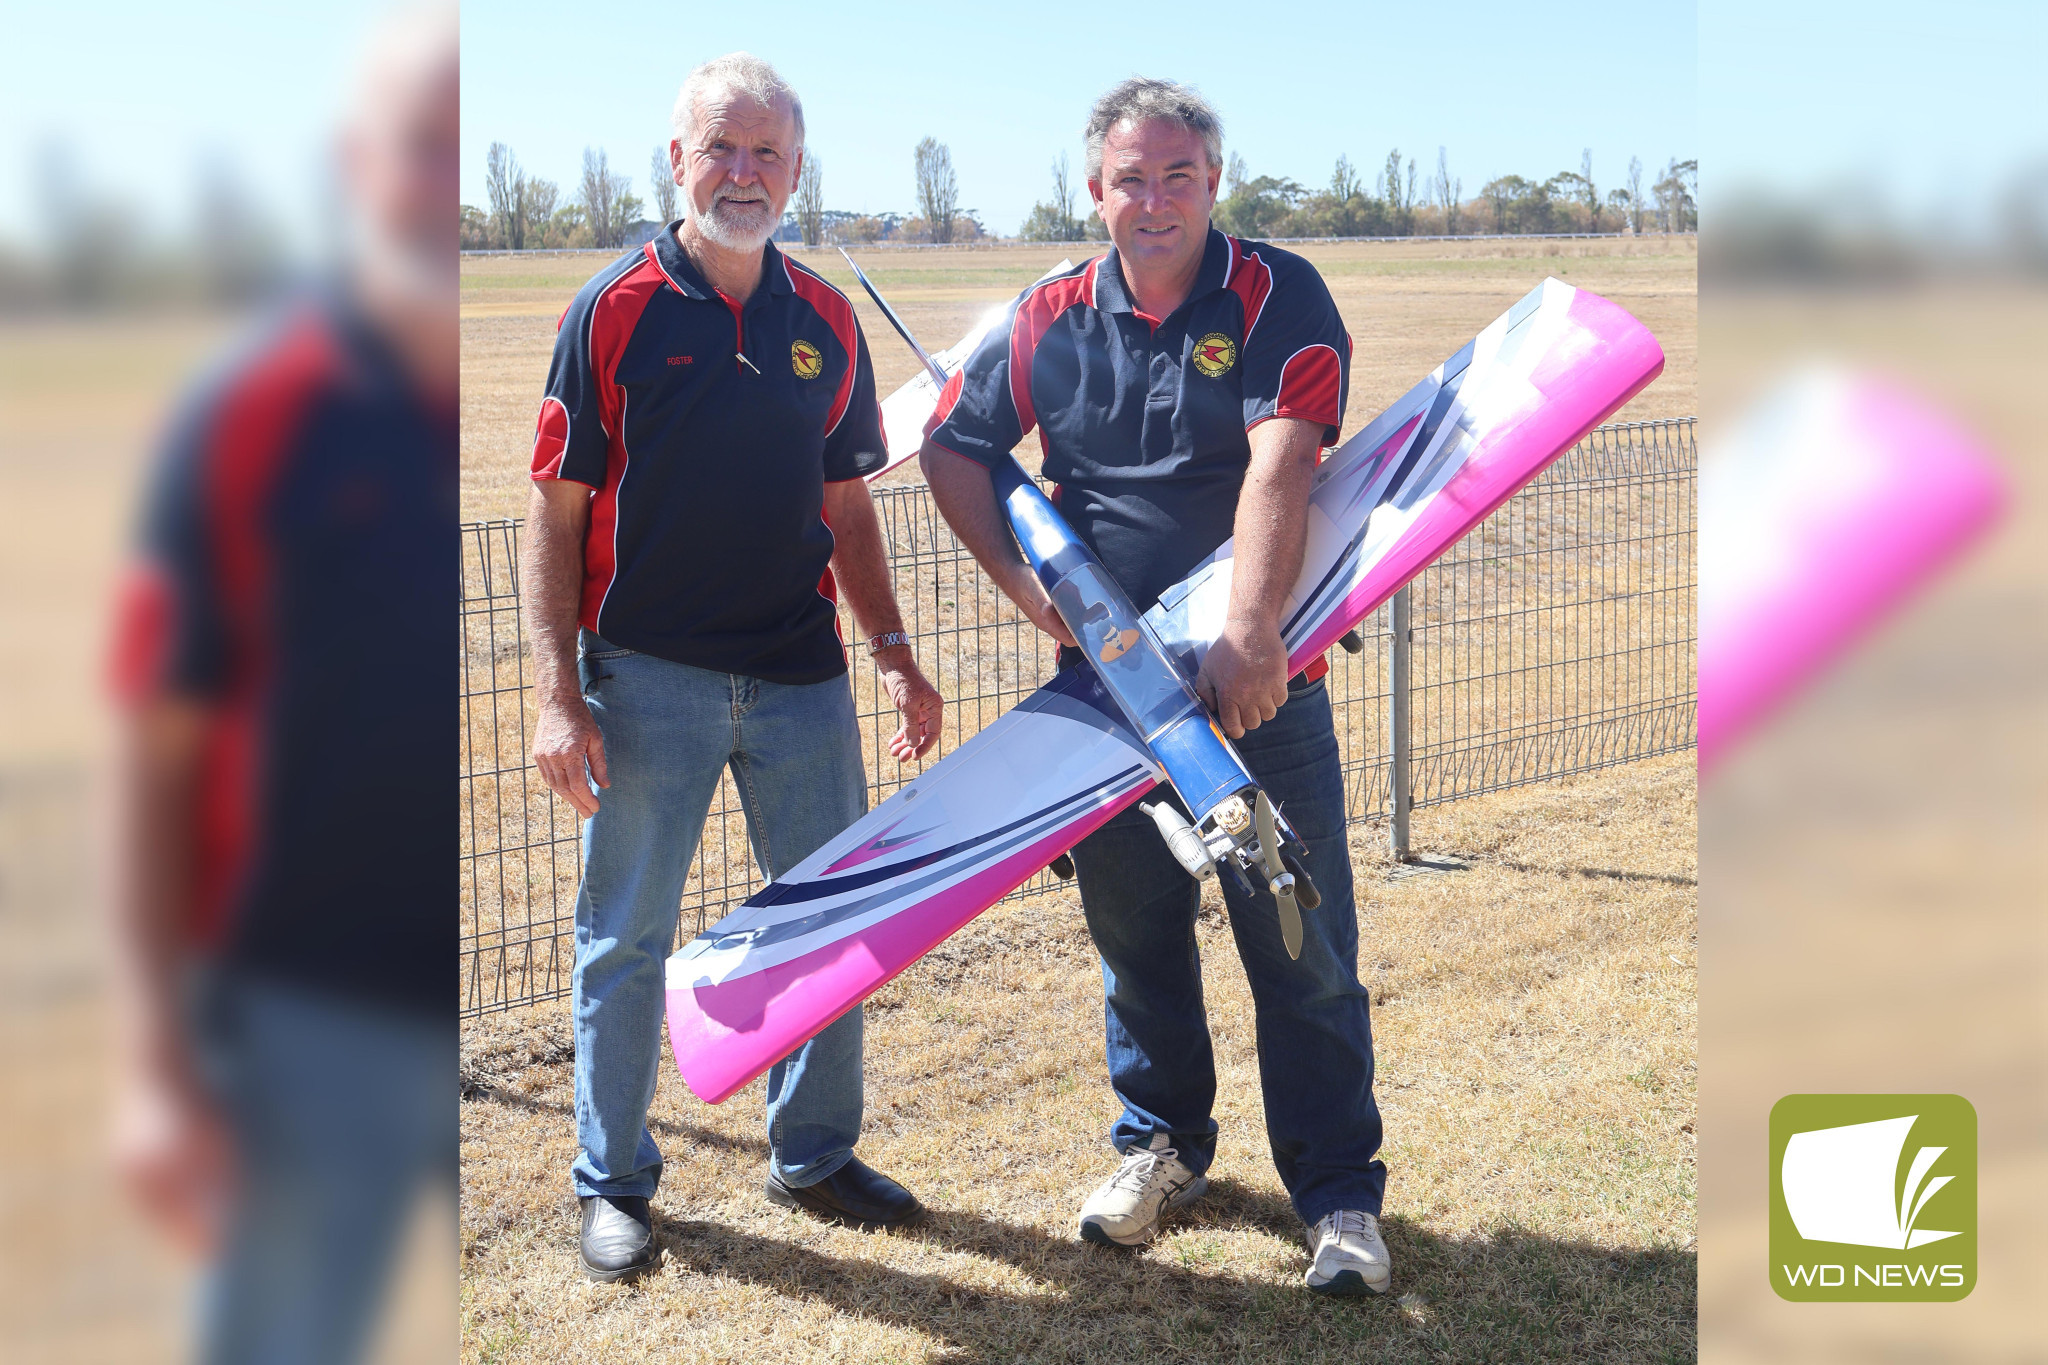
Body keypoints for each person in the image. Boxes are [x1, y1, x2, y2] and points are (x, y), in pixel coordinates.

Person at [919, 77, 1391, 1295]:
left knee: (1300, 943)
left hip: (1249, 689)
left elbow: (1280, 464)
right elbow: (953, 447)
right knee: (1134, 941)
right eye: (1131, 178)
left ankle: (1337, 1197)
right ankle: (1160, 1147)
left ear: (1212, 184)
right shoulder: (1045, 316)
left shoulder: (1276, 292)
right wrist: (1039, 608)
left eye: (1179, 175)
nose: (1156, 199)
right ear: (1095, 191)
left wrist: (1247, 635)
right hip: (1110, 700)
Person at [525, 52, 942, 1282]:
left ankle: (812, 1152)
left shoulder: (823, 319)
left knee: (830, 923)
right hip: (647, 678)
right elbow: (555, 521)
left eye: (766, 153)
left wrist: (892, 649)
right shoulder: (609, 311)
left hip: (801, 679)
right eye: (721, 148)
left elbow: (848, 503)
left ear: (797, 171)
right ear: (677, 162)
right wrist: (558, 693)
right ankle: (612, 1182)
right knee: (625, 940)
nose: (743, 174)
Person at [107, 10, 459, 1362]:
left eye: (454, 145)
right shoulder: (253, 410)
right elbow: (156, 747)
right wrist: (152, 1062)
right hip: (310, 1004)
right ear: (352, 163)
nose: (434, 181)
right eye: (409, 146)